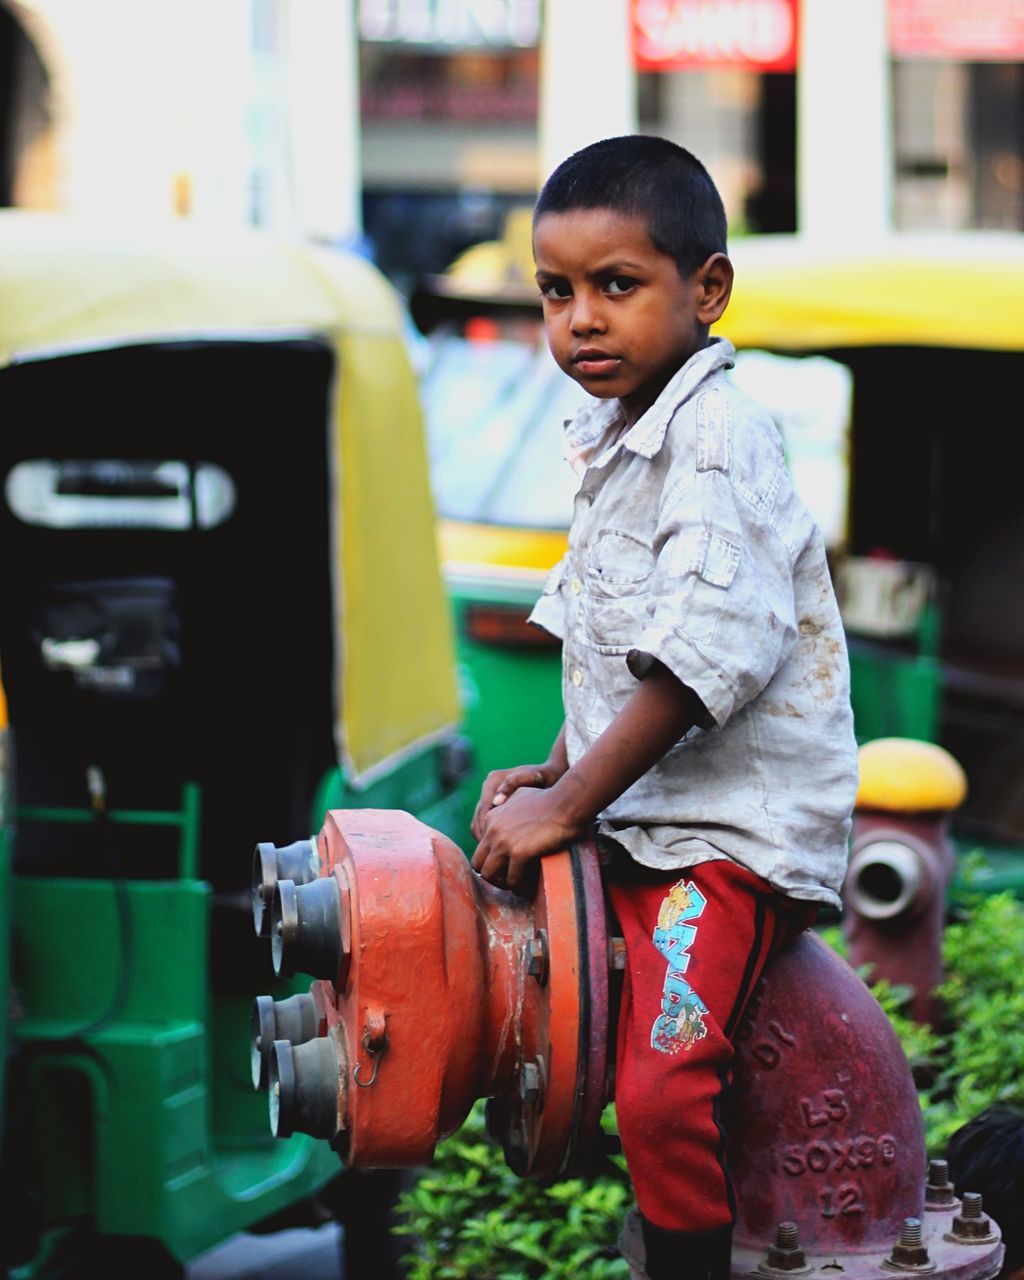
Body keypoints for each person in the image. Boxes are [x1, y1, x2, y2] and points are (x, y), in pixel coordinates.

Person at [469, 135, 859, 1280]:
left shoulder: (720, 438)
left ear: (707, 289)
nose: (580, 319)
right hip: (649, 817)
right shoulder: (614, 440)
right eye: (556, 291)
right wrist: (557, 772)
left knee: (657, 1084)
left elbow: (695, 661)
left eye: (616, 285)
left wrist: (568, 804)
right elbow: (613, 648)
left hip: (725, 844)